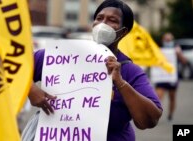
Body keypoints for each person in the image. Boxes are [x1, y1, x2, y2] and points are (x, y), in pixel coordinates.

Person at [30, 0, 162, 140]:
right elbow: (12, 71)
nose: (103, 24)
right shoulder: (61, 55)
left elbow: (149, 121)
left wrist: (121, 83)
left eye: (112, 20)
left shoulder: (129, 70)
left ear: (123, 32)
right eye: (99, 18)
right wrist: (32, 91)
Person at [155, 32, 187, 121]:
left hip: (172, 78)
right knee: (157, 97)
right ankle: (155, 115)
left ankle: (170, 114)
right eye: (166, 40)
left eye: (170, 40)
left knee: (172, 97)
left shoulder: (176, 49)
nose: (168, 41)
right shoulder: (158, 49)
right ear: (163, 40)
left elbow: (184, 61)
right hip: (161, 77)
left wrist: (179, 53)